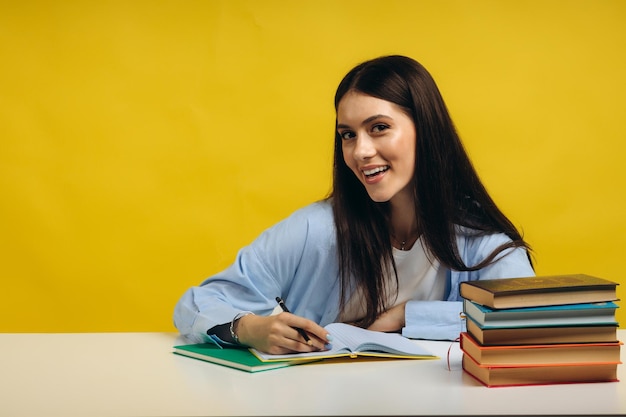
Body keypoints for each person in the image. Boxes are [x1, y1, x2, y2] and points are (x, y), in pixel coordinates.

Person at [173, 55, 534, 354]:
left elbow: (525, 321)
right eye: (348, 134)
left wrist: (411, 315)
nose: (360, 151)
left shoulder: (480, 241)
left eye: (378, 127)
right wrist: (249, 328)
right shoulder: (317, 229)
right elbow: (197, 303)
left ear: (425, 130)